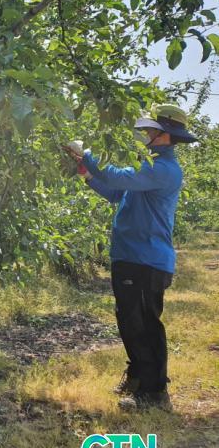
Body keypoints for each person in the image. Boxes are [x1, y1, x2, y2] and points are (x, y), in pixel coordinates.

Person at [66, 104, 197, 411]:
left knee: (144, 324)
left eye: (150, 130)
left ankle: (154, 393)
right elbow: (116, 192)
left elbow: (117, 177)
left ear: (165, 135)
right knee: (129, 321)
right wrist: (88, 174)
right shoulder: (149, 166)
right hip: (129, 255)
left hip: (145, 259)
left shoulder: (163, 169)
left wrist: (87, 154)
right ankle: (139, 377)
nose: (145, 134)